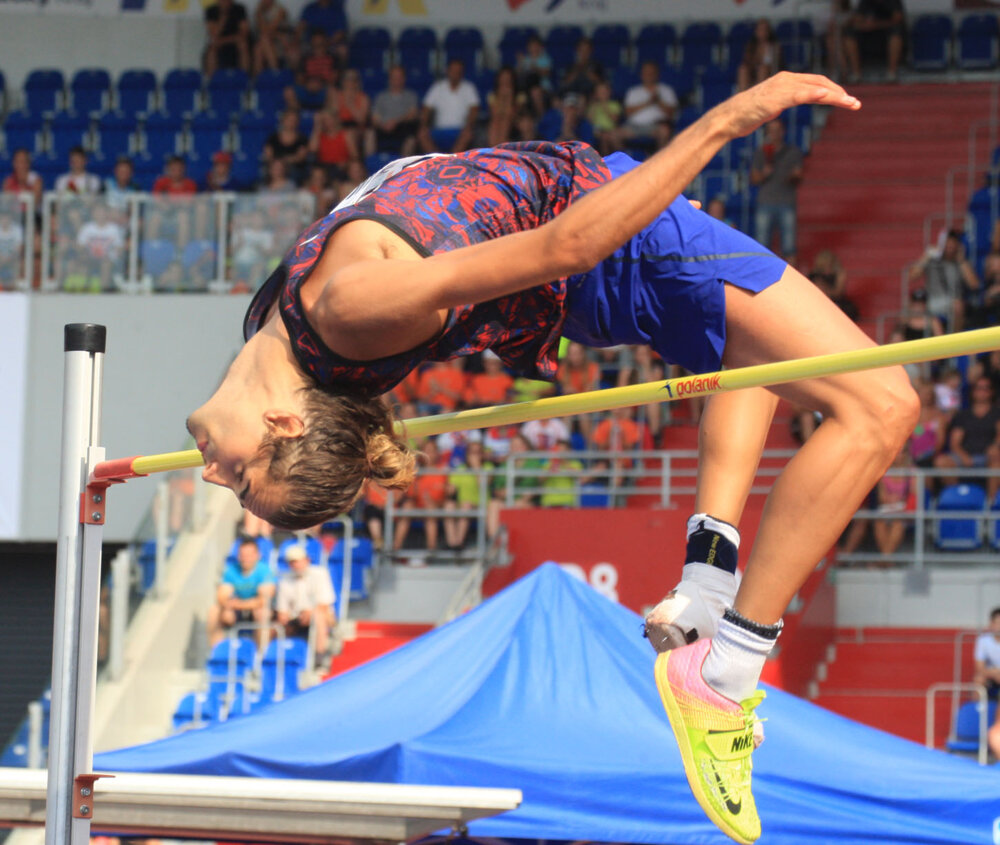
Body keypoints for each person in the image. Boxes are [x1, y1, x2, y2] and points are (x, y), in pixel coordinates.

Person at [186, 74, 919, 845]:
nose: (211, 475)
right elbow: (562, 246)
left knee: (752, 350)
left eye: (237, 480)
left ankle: (706, 584)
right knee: (882, 406)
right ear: (285, 420)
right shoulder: (342, 312)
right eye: (239, 478)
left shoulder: (279, 327)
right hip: (608, 244)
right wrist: (725, 121)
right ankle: (729, 670)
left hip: (605, 220)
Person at [933, 376, 1000, 498]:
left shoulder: (997, 413)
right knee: (942, 462)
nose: (982, 391)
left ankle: (991, 505)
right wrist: (963, 456)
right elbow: (955, 442)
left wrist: (995, 447)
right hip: (966, 455)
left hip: (989, 456)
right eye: (979, 388)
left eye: (986, 388)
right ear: (973, 391)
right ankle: (959, 496)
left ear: (992, 391)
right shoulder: (963, 415)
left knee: (996, 459)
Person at [750, 118, 803, 264]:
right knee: (761, 246)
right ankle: (761, 279)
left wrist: (794, 176)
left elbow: (799, 176)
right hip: (765, 202)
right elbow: (754, 179)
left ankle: (791, 281)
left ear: (783, 132)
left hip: (786, 202)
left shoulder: (793, 152)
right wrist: (764, 174)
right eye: (771, 130)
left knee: (789, 247)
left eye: (777, 130)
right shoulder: (761, 152)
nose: (774, 134)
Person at [207, 537, 275, 647]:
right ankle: (217, 652)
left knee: (262, 613)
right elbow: (221, 596)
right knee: (214, 611)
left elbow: (264, 600)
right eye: (243, 555)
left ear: (257, 555)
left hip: (254, 610)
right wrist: (229, 606)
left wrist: (237, 604)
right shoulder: (231, 570)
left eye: (249, 555)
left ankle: (261, 654)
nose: (245, 558)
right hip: (237, 611)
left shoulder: (264, 571)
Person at [908, 230, 980, 332]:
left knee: (958, 306)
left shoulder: (960, 263)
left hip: (952, 303)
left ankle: (954, 339)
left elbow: (974, 285)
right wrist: (926, 256)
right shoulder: (931, 260)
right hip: (932, 301)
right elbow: (911, 276)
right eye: (947, 244)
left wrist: (962, 260)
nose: (949, 248)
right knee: (911, 307)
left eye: (952, 244)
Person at [275, 544, 336, 659]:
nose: (296, 565)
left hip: (321, 614)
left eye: (298, 561)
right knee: (275, 626)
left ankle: (320, 655)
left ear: (307, 560)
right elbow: (282, 611)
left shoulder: (320, 574)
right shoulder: (285, 580)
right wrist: (286, 616)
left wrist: (308, 613)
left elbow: (324, 603)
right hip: (296, 617)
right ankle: (278, 658)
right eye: (293, 562)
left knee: (319, 616)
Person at [418, 59, 480, 154]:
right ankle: (437, 160)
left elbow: (474, 110)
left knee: (468, 134)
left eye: (458, 71)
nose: (455, 73)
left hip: (460, 130)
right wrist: (424, 125)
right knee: (422, 134)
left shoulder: (469, 88)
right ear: (447, 71)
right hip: (439, 131)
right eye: (453, 70)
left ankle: (450, 161)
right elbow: (426, 109)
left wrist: (469, 125)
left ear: (462, 73)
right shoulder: (437, 87)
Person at [842, 0, 905, 83]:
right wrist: (863, 24)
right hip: (868, 39)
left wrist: (876, 25)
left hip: (887, 37)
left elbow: (897, 19)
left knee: (896, 33)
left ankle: (892, 74)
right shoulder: (865, 2)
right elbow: (857, 19)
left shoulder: (893, 2)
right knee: (848, 33)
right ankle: (856, 74)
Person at [620, 60, 677, 151]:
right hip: (634, 127)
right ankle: (624, 162)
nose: (649, 75)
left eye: (651, 72)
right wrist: (648, 102)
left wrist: (658, 101)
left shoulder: (666, 90)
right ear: (641, 74)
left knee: (665, 131)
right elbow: (627, 113)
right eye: (646, 72)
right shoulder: (633, 91)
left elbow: (672, 113)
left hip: (656, 126)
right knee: (613, 136)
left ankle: (659, 162)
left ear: (657, 74)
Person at [368, 65, 420, 157]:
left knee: (411, 139)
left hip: (402, 127)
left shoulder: (411, 96)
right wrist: (383, 124)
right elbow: (375, 117)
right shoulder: (381, 97)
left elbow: (412, 114)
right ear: (389, 79)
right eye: (394, 77)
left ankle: (404, 168)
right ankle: (371, 165)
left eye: (400, 77)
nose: (397, 80)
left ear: (404, 79)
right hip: (383, 127)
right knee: (369, 134)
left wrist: (396, 122)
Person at [973, 607, 1000, 759]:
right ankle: (975, 715)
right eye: (997, 622)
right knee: (978, 680)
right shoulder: (983, 641)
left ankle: (997, 725)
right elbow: (980, 668)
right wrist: (995, 673)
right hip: (991, 677)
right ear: (991, 624)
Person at [204, 0, 251, 76]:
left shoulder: (239, 9)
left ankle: (244, 78)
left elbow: (244, 32)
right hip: (221, 42)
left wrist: (226, 40)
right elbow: (213, 34)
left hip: (235, 42)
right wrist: (223, 19)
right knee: (212, 49)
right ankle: (211, 80)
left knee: (243, 45)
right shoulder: (211, 11)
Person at [738, 19, 782, 92]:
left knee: (763, 69)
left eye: (765, 30)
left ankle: (759, 93)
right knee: (743, 69)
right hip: (753, 70)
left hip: (769, 71)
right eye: (760, 29)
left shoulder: (774, 46)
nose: (762, 32)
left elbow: (777, 63)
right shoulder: (751, 46)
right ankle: (742, 94)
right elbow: (747, 61)